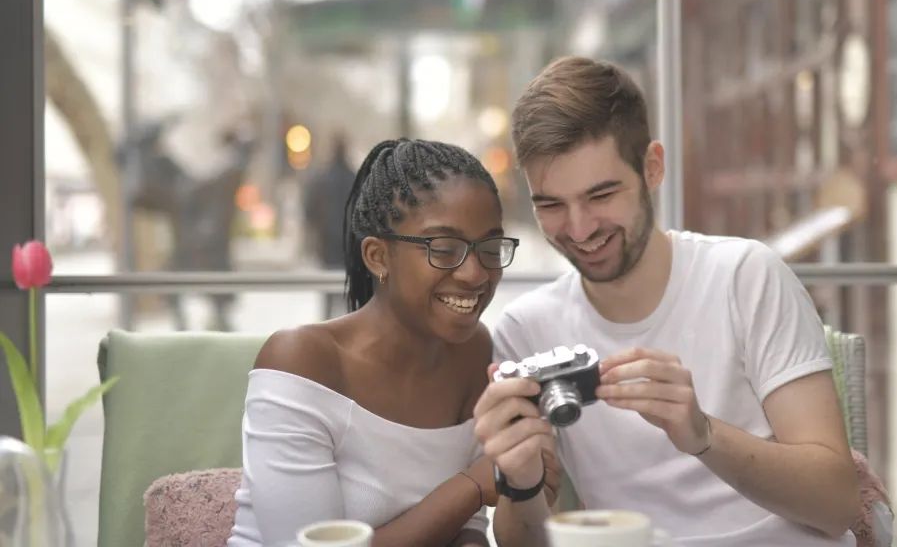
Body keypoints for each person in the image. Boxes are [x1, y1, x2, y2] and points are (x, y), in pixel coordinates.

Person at [473, 57, 861, 546]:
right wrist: (520, 478)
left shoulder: (745, 276)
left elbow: (838, 503)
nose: (579, 228)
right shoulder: (526, 330)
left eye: (602, 194)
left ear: (652, 167)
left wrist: (703, 435)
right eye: (550, 204)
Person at [228, 138, 555, 547]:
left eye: (489, 247)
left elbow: (466, 531)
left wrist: (522, 485)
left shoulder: (475, 354)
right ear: (378, 257)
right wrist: (472, 486)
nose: (475, 273)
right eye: (444, 248)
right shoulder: (302, 361)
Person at [303, 134, 357, 319]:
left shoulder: (320, 178)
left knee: (327, 291)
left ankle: (327, 326)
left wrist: (313, 236)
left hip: (326, 242)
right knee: (348, 291)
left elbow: (309, 211)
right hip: (349, 242)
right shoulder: (355, 178)